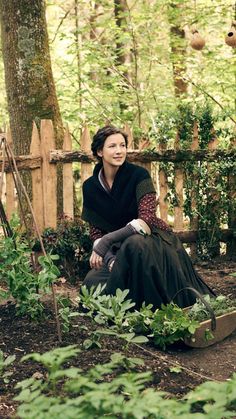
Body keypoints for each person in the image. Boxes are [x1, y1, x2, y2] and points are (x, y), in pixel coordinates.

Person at [81, 125, 214, 310]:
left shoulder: (139, 176)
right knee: (91, 282)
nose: (119, 151)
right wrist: (110, 259)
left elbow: (146, 221)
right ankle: (124, 313)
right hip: (120, 250)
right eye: (112, 146)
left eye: (122, 145)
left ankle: (155, 311)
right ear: (99, 151)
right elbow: (96, 233)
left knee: (134, 243)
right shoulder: (90, 187)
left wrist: (106, 242)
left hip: (153, 242)